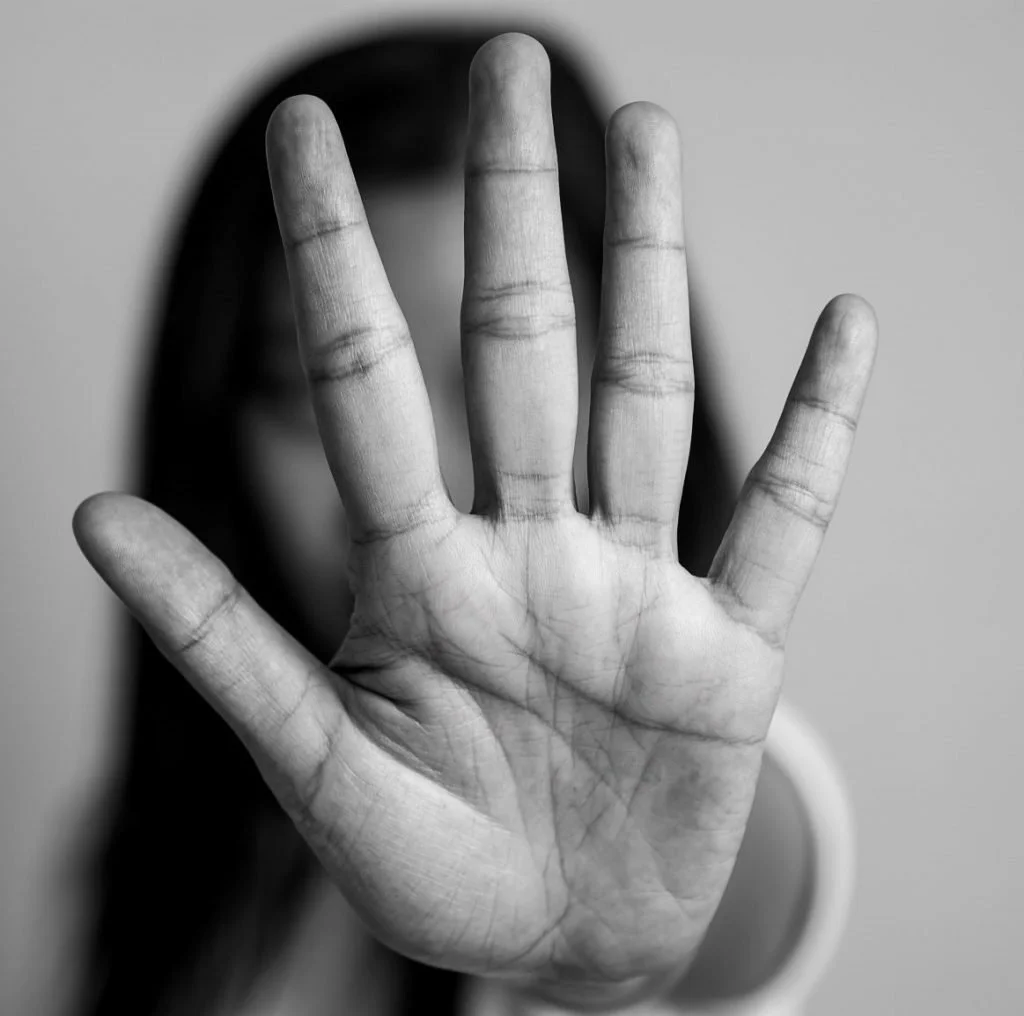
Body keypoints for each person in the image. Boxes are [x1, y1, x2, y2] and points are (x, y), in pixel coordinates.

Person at [71, 22, 876, 1016]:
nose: (413, 486)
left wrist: (604, 937)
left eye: (482, 376)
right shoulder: (183, 846)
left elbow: (726, 868)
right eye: (300, 385)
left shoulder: (697, 767)